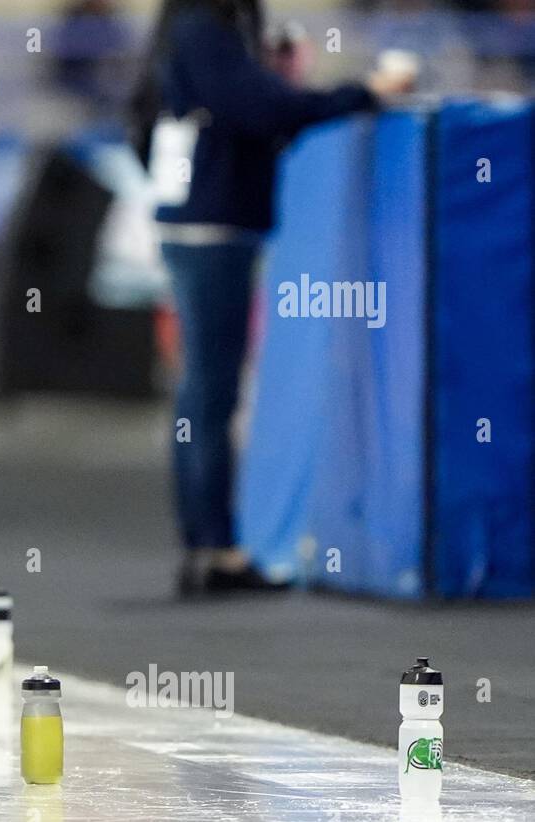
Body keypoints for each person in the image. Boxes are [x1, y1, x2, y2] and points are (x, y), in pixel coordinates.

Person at [128, 0, 411, 596]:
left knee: (202, 392)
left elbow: (164, 114)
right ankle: (213, 548)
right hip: (213, 224)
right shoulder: (207, 26)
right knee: (210, 392)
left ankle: (209, 544)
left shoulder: (188, 28)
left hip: (196, 217)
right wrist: (363, 92)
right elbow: (262, 108)